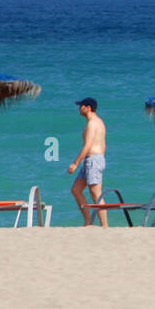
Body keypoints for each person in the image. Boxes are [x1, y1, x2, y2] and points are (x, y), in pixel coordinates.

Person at [68, 97, 108, 226]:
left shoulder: (93, 123)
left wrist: (75, 163)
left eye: (81, 106)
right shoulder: (97, 122)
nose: (79, 108)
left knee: (96, 193)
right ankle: (88, 222)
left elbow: (88, 145)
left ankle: (105, 226)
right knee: (76, 189)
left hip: (93, 159)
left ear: (88, 108)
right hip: (92, 160)